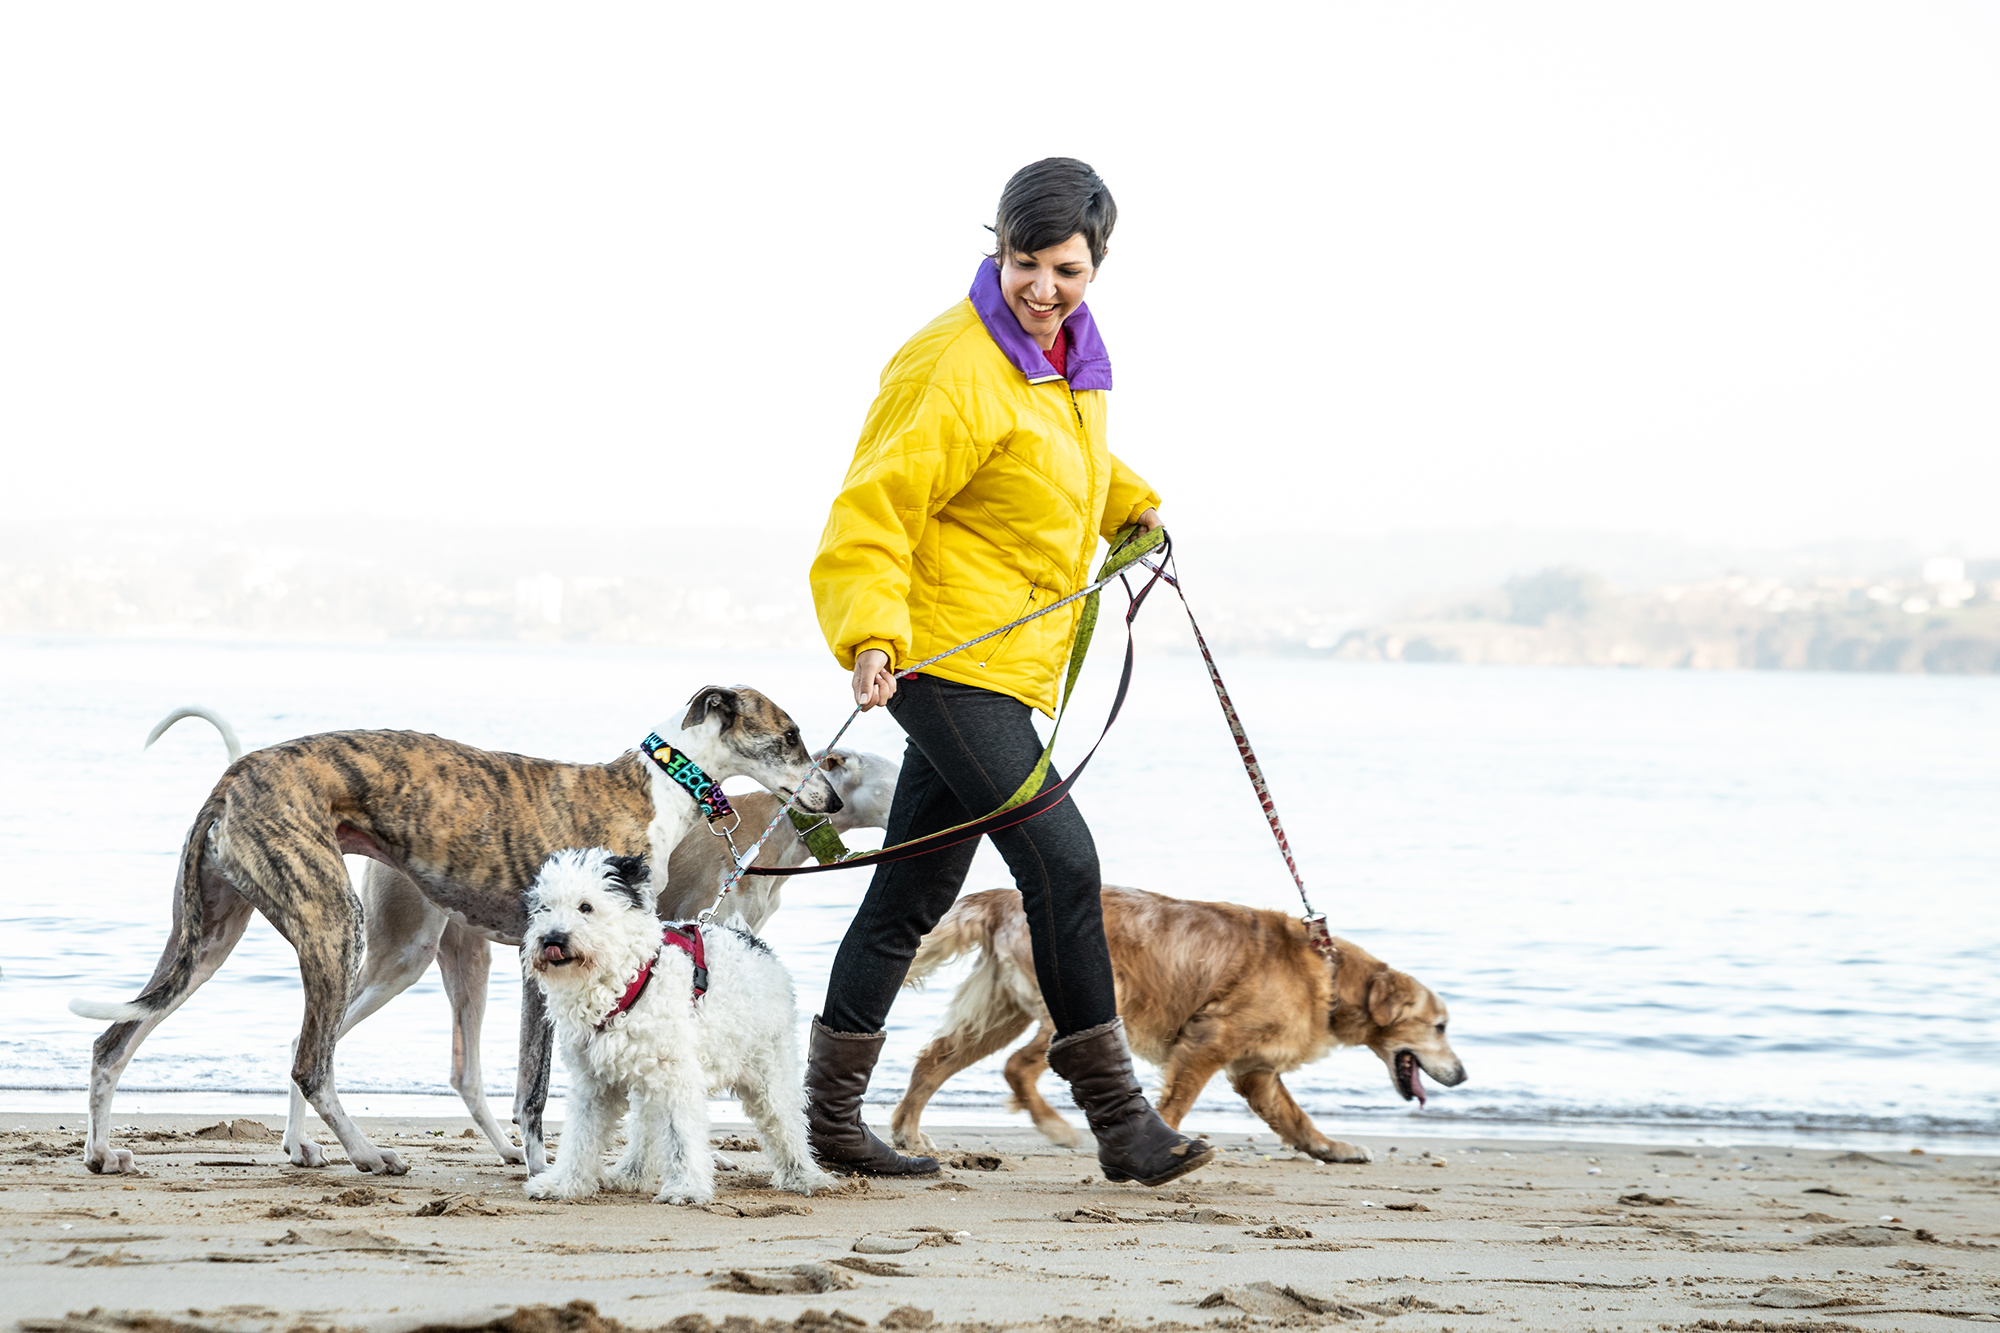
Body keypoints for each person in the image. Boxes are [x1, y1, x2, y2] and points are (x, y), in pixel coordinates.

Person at [805, 158, 1215, 1187]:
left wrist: (1131, 503)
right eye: (1022, 262)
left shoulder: (1067, 359)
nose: (1042, 285)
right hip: (939, 658)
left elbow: (1044, 464)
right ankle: (1122, 1122)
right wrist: (867, 634)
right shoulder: (951, 362)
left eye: (1065, 268)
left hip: (1001, 657)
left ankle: (829, 1121)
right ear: (995, 250)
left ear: (1095, 264)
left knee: (910, 890)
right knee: (1063, 863)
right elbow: (874, 506)